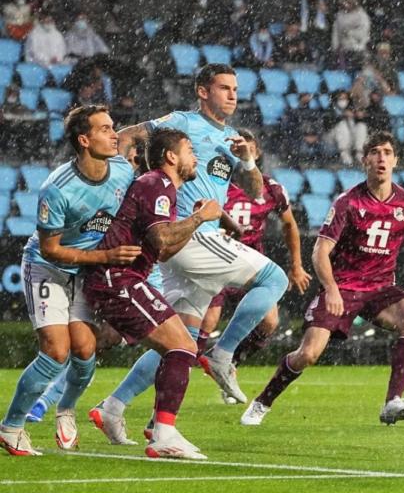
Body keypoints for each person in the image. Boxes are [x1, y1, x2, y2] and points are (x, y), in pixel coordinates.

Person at [91, 65, 288, 437]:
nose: (232, 95)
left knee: (179, 341)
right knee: (274, 278)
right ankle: (224, 352)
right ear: (202, 91)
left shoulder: (230, 138)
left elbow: (256, 189)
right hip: (190, 234)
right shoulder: (182, 123)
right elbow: (131, 135)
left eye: (235, 89)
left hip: (192, 240)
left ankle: (113, 407)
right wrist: (117, 171)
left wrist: (246, 159)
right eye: (223, 88)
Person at [241, 132, 404, 426]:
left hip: (381, 289)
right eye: (374, 152)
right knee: (308, 354)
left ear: (395, 160)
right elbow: (320, 251)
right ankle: (263, 401)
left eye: (387, 152)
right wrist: (331, 289)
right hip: (343, 287)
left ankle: (392, 401)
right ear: (364, 161)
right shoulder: (348, 202)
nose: (381, 158)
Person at [0, 106, 138, 457]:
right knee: (56, 350)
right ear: (84, 139)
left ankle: (66, 409)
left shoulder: (123, 170)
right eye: (105, 129)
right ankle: (11, 426)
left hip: (86, 271)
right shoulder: (57, 188)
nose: (114, 135)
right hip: (48, 267)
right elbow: (51, 249)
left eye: (113, 127)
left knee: (86, 349)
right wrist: (106, 257)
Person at [83, 128, 222, 459]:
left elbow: (162, 252)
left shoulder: (163, 189)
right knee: (183, 345)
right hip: (117, 278)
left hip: (124, 278)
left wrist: (195, 221)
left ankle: (113, 411)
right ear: (171, 157)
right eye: (189, 150)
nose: (196, 157)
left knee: (173, 347)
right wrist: (201, 216)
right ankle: (163, 434)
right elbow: (161, 239)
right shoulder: (156, 183)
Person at [196, 129, 311, 400]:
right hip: (216, 259)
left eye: (248, 148)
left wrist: (296, 265)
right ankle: (177, 373)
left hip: (252, 267)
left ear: (256, 153)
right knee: (207, 320)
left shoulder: (271, 188)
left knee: (270, 322)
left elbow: (289, 225)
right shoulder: (217, 185)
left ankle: (230, 363)